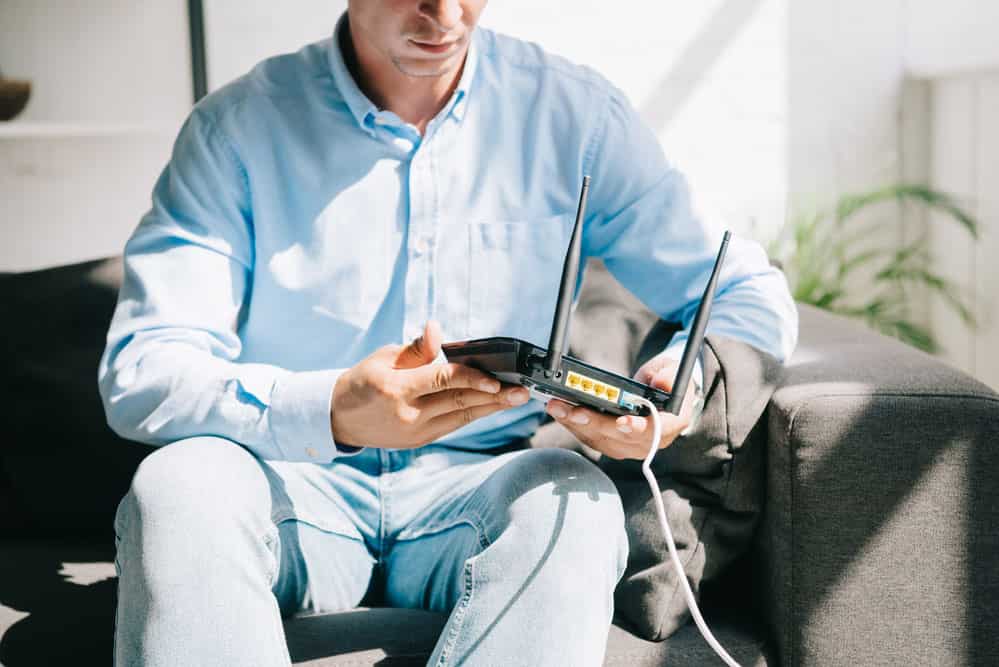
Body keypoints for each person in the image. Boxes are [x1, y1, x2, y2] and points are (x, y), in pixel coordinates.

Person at [99, 1, 798, 665]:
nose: (446, 14)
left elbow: (748, 293)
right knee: (180, 483)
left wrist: (674, 388)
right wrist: (334, 406)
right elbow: (144, 367)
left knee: (574, 503)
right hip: (290, 486)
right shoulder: (238, 129)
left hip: (478, 489)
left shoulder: (573, 118)